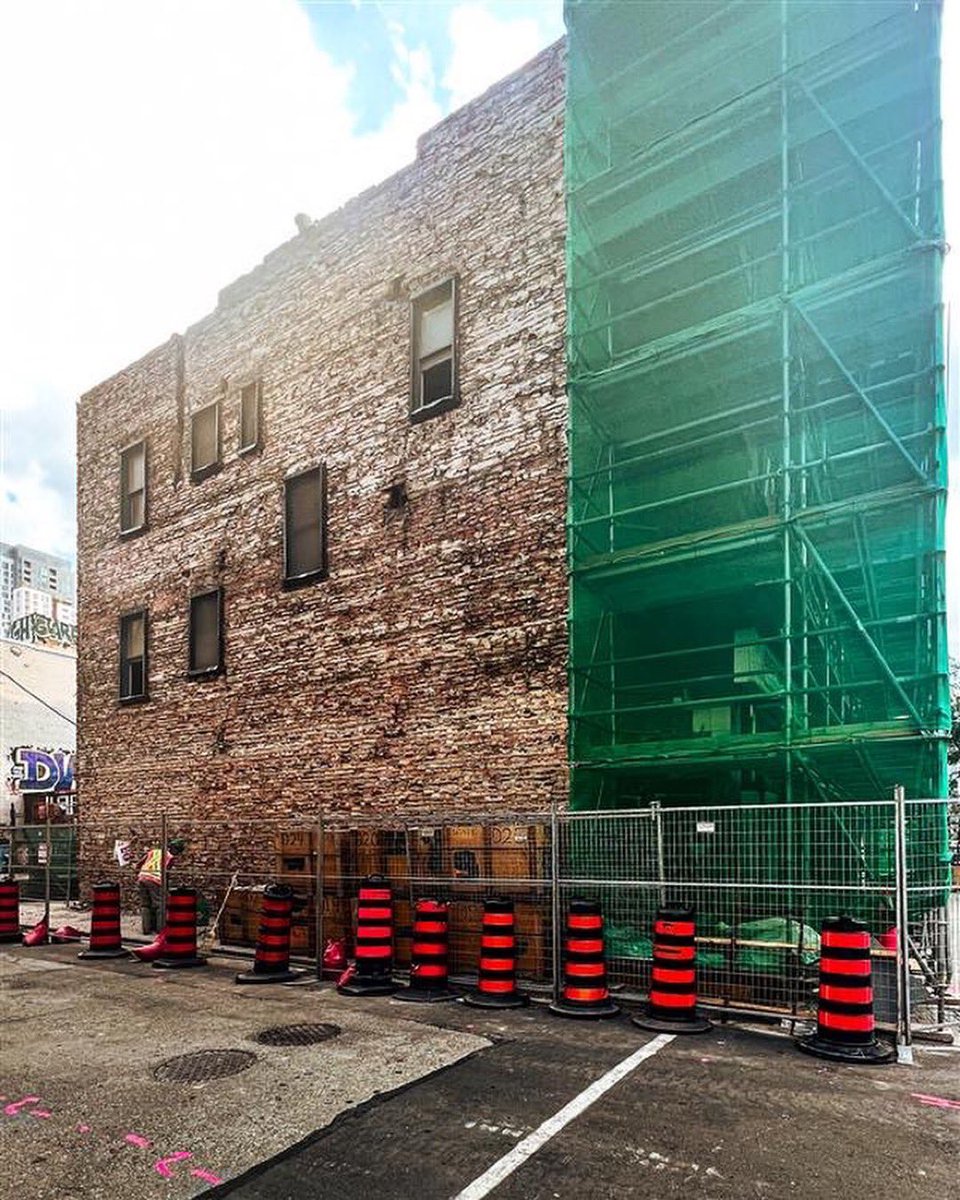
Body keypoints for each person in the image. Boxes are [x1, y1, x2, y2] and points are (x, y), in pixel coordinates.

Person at [136, 839, 185, 934]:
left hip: (142, 878)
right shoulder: (170, 857)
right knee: (160, 904)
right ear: (175, 850)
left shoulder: (153, 852)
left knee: (145, 904)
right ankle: (160, 930)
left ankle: (146, 930)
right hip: (155, 879)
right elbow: (166, 874)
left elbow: (138, 864)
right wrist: (165, 890)